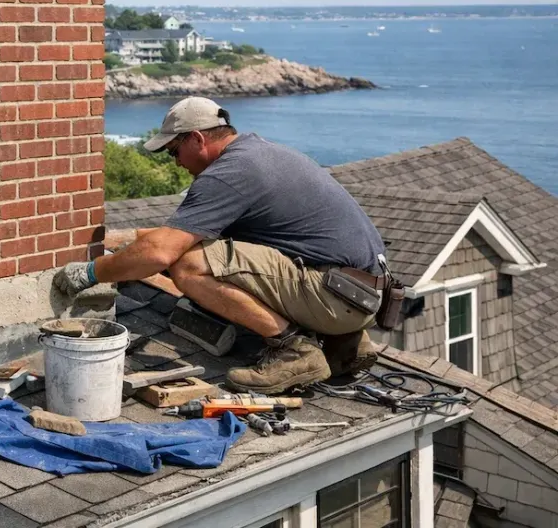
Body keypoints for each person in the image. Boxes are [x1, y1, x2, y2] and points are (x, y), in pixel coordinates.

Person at [55, 96, 387, 394]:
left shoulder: (227, 174)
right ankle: (345, 341)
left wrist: (91, 272)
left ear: (197, 138)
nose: (176, 163)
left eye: (174, 151)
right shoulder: (256, 153)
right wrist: (118, 240)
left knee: (189, 264)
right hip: (360, 296)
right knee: (210, 250)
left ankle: (294, 350)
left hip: (335, 300)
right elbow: (175, 234)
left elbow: (162, 252)